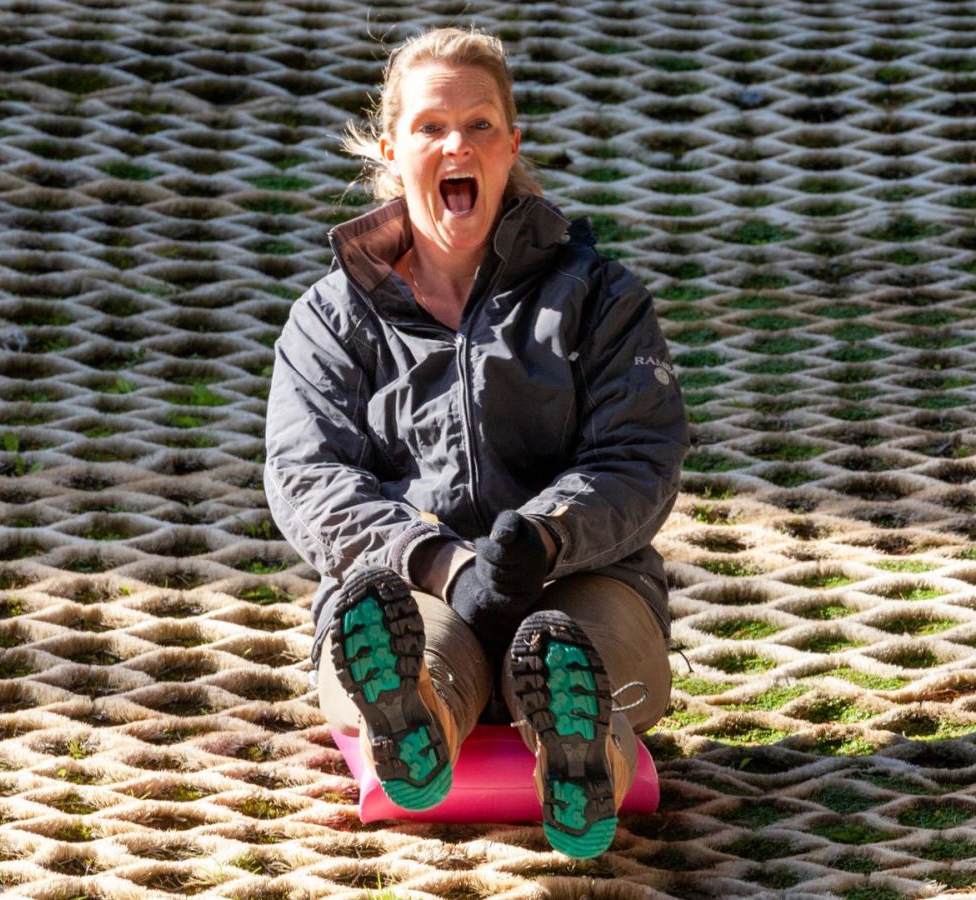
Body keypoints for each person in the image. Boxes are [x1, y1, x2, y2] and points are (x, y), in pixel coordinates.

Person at [262, 25, 689, 859]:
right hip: (407, 588)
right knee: (405, 641)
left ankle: (581, 749)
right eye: (431, 126)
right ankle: (413, 714)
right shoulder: (331, 317)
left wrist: (542, 536)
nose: (457, 142)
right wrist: (443, 563)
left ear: (511, 144)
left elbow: (641, 455)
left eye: (481, 124)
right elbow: (307, 476)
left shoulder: (597, 295)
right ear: (393, 148)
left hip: (582, 580)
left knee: (573, 650)